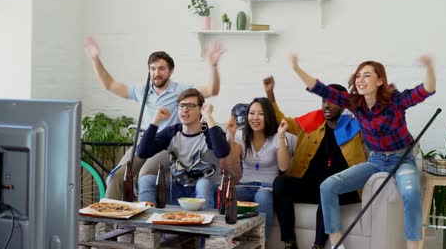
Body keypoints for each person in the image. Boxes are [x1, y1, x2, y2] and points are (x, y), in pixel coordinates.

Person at [289, 54, 436, 249]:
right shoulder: (355, 103)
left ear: (380, 80)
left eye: (367, 76)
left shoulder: (396, 101)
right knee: (328, 186)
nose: (360, 80)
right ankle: (337, 244)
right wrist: (297, 69)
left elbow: (426, 90)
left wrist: (429, 66)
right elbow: (321, 89)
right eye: (358, 76)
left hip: (402, 159)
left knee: (411, 193)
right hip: (375, 161)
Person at [83, 37, 224, 201]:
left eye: (161, 69)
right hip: (146, 141)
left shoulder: (182, 90)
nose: (157, 73)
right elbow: (110, 85)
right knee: (116, 177)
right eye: (153, 69)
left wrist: (213, 66)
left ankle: (144, 223)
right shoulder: (142, 91)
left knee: (144, 176)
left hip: (167, 145)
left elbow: (212, 89)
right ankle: (107, 226)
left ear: (171, 71)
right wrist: (95, 59)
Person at [263, 76, 367, 249]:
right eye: (324, 100)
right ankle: (290, 242)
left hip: (343, 189)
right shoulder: (313, 121)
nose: (326, 105)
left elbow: (379, 132)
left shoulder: (356, 127)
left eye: (332, 101)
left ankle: (318, 246)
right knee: (280, 182)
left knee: (328, 191)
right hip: (311, 186)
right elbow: (282, 122)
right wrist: (270, 94)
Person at [136, 88, 230, 209]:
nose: (185, 110)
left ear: (201, 109)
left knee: (203, 183)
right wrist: (155, 121)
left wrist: (208, 116)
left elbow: (222, 152)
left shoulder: (210, 132)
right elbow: (142, 152)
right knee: (146, 180)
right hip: (179, 190)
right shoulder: (172, 132)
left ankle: (204, 223)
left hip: (208, 191)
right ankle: (147, 225)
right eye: (181, 106)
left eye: (190, 106)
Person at [226, 97, 296, 240]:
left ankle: (260, 242)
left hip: (268, 187)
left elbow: (283, 167)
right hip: (246, 184)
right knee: (229, 195)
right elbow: (231, 162)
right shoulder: (241, 134)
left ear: (268, 116)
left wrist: (282, 136)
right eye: (251, 113)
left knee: (262, 197)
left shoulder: (278, 136)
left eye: (261, 114)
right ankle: (228, 240)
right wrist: (231, 134)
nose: (255, 118)